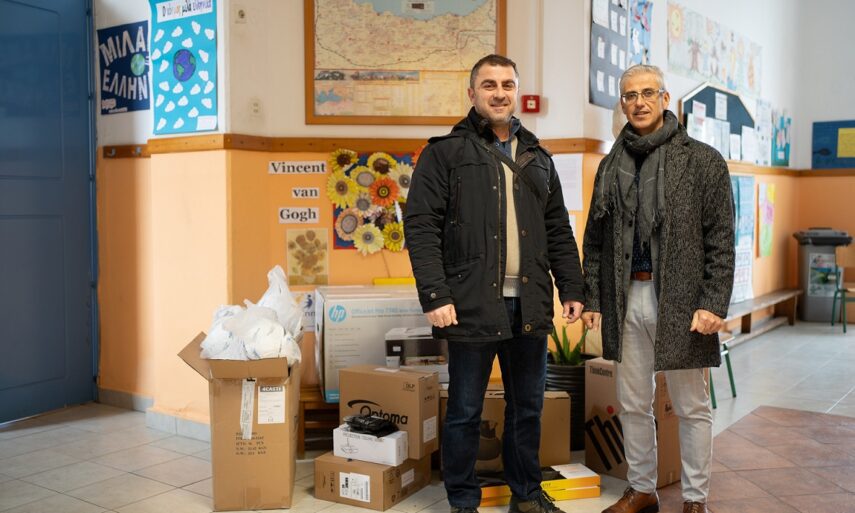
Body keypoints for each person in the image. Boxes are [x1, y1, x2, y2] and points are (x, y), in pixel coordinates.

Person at [404, 54, 585, 513]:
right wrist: (435, 294)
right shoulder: (443, 153)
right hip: (469, 302)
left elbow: (558, 229)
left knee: (528, 408)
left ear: (516, 92)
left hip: (530, 303)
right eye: (489, 85)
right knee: (465, 411)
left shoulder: (538, 157)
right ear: (472, 93)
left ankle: (525, 495)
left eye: (507, 84)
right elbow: (421, 226)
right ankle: (463, 501)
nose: (499, 93)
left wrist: (572, 287)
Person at [581, 64, 735, 513]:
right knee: (632, 403)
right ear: (622, 103)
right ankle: (642, 489)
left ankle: (694, 499)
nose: (639, 102)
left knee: (691, 405)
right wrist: (593, 299)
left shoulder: (702, 160)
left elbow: (721, 238)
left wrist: (713, 302)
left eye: (648, 93)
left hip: (683, 303)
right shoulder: (610, 164)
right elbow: (595, 240)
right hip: (624, 298)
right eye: (630, 95)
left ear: (665, 99)